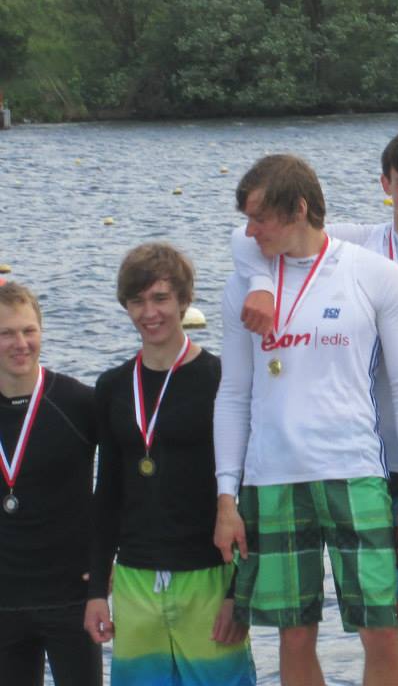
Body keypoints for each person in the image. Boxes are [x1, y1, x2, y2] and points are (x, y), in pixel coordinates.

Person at [231, 132, 398, 686]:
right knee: (392, 617)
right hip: (372, 465)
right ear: (385, 185)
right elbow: (248, 237)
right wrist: (260, 283)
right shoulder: (358, 242)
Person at [214, 154, 398, 686]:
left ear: (299, 209)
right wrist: (226, 497)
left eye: (260, 217)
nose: (250, 231)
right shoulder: (244, 285)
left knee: (380, 629)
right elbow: (234, 393)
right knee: (294, 634)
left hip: (355, 471)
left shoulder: (375, 274)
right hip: (272, 478)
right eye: (248, 219)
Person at [83, 243, 255, 685]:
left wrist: (239, 594)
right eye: (137, 301)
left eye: (160, 298)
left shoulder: (222, 381)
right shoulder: (112, 386)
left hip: (208, 576)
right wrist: (96, 589)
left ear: (184, 300)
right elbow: (107, 493)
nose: (149, 313)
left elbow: (248, 491)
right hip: (135, 580)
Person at [0, 281, 101, 686]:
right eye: (6, 333)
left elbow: (123, 480)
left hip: (71, 597)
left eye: (29, 330)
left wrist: (107, 560)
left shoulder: (78, 403)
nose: (20, 343)